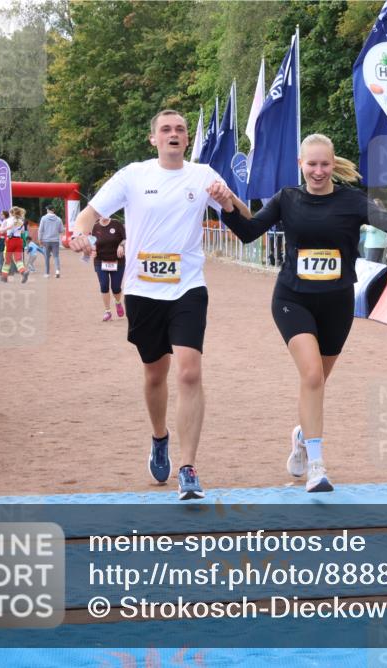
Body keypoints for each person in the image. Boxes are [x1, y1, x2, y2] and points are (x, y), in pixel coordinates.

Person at [220, 133, 387, 493]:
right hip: (292, 299)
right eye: (312, 164)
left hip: (336, 303)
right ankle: (317, 466)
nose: (318, 171)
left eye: (324, 164)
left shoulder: (352, 200)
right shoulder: (287, 199)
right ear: (300, 165)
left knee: (317, 382)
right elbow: (248, 231)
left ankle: (303, 435)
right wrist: (226, 205)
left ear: (333, 165)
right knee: (313, 376)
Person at [69, 109, 249, 501]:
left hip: (187, 288)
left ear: (187, 140)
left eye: (180, 130)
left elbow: (247, 224)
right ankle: (159, 437)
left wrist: (229, 200)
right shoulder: (133, 175)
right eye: (165, 129)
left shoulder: (204, 177)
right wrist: (78, 234)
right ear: (153, 139)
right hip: (142, 291)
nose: (173, 134)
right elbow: (89, 215)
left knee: (188, 373)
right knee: (155, 374)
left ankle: (188, 468)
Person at [91, 216, 127, 321]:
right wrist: (92, 250)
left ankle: (118, 302)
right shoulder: (95, 227)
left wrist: (121, 245)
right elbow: (92, 242)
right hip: (100, 261)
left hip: (117, 261)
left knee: (116, 288)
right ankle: (107, 311)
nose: (104, 215)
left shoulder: (117, 224)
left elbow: (126, 238)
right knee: (104, 285)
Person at [0, 206, 29, 283]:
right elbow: (22, 232)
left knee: (7, 259)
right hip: (18, 240)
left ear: (11, 213)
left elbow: (2, 232)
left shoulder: (7, 220)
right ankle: (23, 271)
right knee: (18, 259)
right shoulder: (21, 221)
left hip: (10, 241)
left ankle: (4, 277)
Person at [39, 205, 65, 278]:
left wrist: (40, 239)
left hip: (46, 240)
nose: (46, 210)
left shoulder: (43, 218)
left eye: (47, 209)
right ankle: (57, 271)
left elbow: (40, 230)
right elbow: (61, 230)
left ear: (48, 210)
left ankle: (47, 273)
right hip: (55, 240)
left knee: (47, 257)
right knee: (56, 256)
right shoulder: (58, 219)